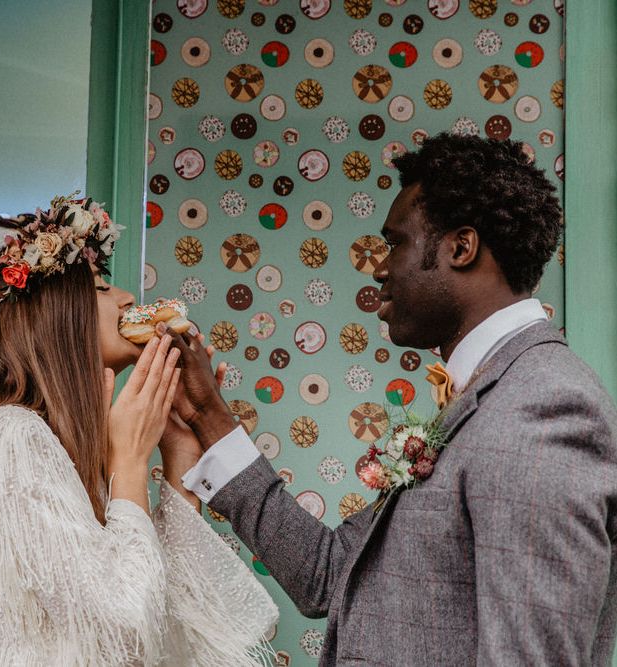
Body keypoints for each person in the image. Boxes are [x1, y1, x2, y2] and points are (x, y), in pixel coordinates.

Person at [163, 134, 617, 666]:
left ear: (460, 248)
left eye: (395, 243)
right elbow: (327, 575)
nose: (380, 269)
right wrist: (206, 416)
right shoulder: (487, 399)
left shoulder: (543, 409)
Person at [0, 196, 277, 666]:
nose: (127, 300)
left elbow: (161, 613)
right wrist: (130, 460)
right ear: (53, 316)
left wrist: (178, 453)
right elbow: (123, 629)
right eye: (101, 288)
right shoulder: (11, 436)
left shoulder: (57, 446)